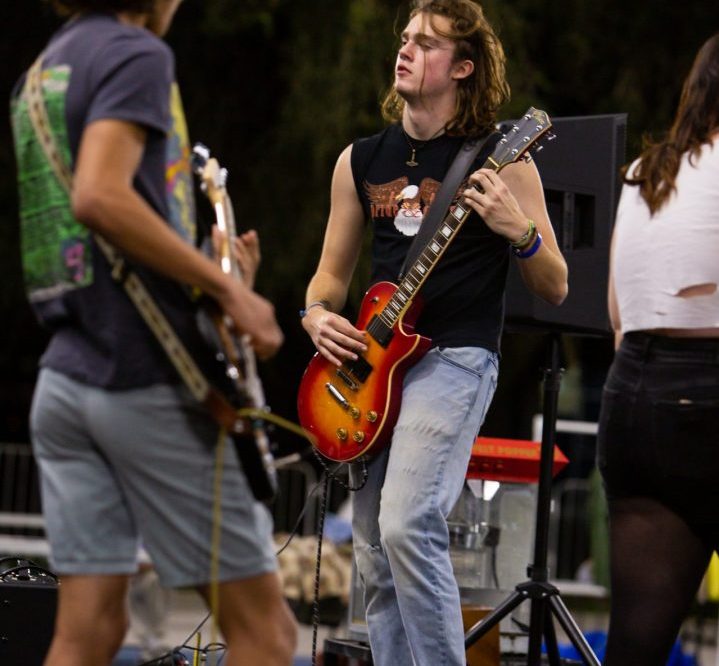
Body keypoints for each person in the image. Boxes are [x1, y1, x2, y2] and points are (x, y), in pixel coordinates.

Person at [10, 1, 297, 665]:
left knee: (88, 634)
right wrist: (229, 291)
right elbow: (99, 197)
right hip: (147, 380)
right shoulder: (137, 54)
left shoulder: (41, 72)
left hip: (65, 384)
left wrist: (208, 268)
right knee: (267, 634)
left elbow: (100, 235)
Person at [300, 1, 567, 663]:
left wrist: (520, 231)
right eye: (405, 38)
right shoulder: (360, 159)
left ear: (463, 67)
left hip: (453, 358)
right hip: (369, 368)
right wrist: (315, 317)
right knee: (370, 552)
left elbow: (556, 283)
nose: (407, 48)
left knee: (405, 521)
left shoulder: (503, 160)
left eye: (427, 42)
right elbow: (327, 281)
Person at [597, 33, 719, 666]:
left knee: (635, 647)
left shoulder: (646, 173)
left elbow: (618, 313)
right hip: (705, 393)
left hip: (633, 399)